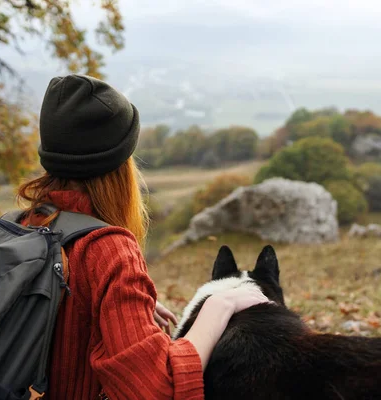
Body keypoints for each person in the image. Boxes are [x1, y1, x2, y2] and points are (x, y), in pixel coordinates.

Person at [16, 74, 270, 399]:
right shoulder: (109, 251)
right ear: (120, 167)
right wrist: (219, 304)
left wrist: (123, 308)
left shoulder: (27, 224)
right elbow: (158, 389)